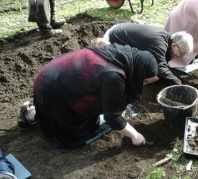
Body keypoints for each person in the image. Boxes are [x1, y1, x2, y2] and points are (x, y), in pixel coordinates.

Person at [18, 43, 159, 149]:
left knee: (87, 114)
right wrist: (135, 136)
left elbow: (113, 97)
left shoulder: (121, 56)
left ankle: (34, 110)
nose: (143, 84)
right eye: (144, 80)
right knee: (76, 134)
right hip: (52, 86)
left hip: (57, 74)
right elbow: (112, 117)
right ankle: (31, 114)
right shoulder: (113, 76)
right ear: (139, 72)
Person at [91, 23, 194, 85]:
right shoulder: (158, 43)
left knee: (154, 75)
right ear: (174, 46)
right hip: (113, 38)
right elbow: (161, 68)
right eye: (182, 53)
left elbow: (162, 60)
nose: (180, 56)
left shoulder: (168, 39)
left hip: (122, 31)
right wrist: (178, 84)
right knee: (146, 76)